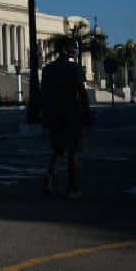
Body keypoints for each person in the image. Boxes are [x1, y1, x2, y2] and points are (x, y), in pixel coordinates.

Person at [41, 38, 91, 198]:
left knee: (58, 150)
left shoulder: (47, 69)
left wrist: (45, 115)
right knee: (73, 151)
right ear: (64, 50)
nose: (75, 51)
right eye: (72, 49)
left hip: (54, 113)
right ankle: (73, 187)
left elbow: (44, 95)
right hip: (71, 112)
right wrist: (87, 112)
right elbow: (81, 92)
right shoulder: (73, 68)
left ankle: (49, 178)